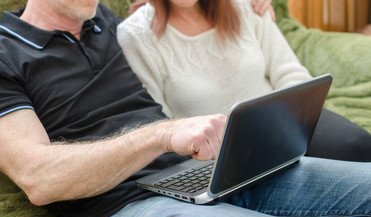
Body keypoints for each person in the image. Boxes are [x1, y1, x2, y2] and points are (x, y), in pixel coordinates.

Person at [0, 0, 370, 217]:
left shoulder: (109, 25)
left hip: (207, 174)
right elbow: (39, 177)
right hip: (126, 209)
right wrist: (162, 134)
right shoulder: (7, 51)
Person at [117, 0, 371, 162]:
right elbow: (159, 124)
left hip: (288, 123)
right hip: (224, 155)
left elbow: (290, 73)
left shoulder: (246, 6)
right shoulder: (136, 35)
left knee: (357, 145)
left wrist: (295, 116)